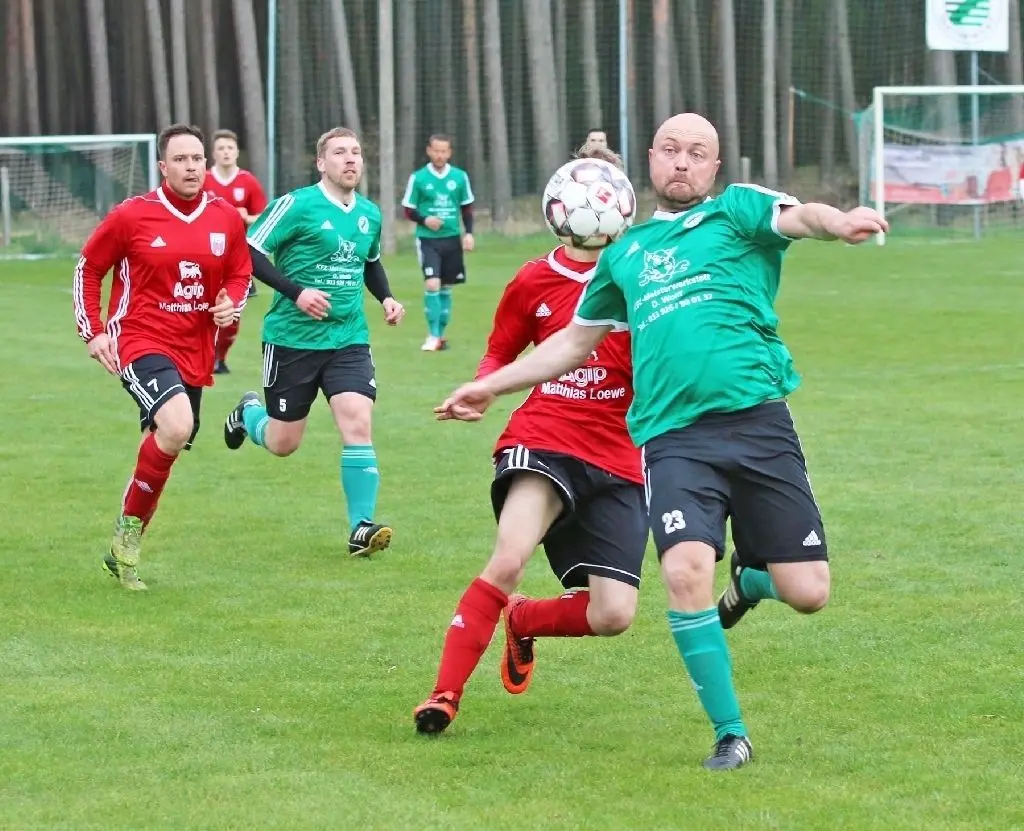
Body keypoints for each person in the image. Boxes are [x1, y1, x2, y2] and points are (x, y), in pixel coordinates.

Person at [434, 113, 890, 770]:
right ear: (650, 160)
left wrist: (840, 219)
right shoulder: (625, 254)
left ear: (715, 164)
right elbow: (571, 342)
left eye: (696, 152)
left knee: (809, 591)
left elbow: (800, 216)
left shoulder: (738, 212)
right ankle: (730, 732)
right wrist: (490, 386)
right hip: (672, 438)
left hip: (759, 422)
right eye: (671, 150)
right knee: (682, 571)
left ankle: (750, 582)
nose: (682, 162)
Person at [413, 146, 648, 737]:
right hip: (546, 434)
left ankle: (522, 621)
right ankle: (444, 694)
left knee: (614, 614)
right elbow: (502, 349)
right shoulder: (532, 280)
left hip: (621, 451)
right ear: (560, 207)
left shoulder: (643, 274)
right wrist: (485, 387)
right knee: (510, 556)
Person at [73, 123, 253, 591]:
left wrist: (233, 300)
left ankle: (123, 540)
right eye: (181, 159)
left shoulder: (225, 217)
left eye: (197, 159)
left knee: (166, 440)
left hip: (194, 347)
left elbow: (240, 271)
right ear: (162, 167)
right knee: (176, 426)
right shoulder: (133, 216)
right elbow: (89, 268)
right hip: (138, 337)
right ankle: (129, 538)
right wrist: (93, 332)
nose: (192, 167)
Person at [222, 127, 405, 558]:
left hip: (348, 337)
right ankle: (248, 414)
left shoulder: (370, 214)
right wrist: (297, 292)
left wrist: (388, 298)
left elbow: (371, 264)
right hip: (291, 340)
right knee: (284, 443)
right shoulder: (296, 204)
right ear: (321, 163)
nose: (350, 160)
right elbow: (247, 252)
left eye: (356, 153)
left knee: (358, 421)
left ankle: (361, 527)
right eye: (339, 153)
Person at [203, 129, 270, 373]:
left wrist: (247, 217)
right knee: (200, 306)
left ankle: (219, 358)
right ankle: (201, 354)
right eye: (220, 148)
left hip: (236, 257)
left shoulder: (248, 181)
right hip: (204, 255)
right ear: (214, 153)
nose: (225, 152)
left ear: (237, 152)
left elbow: (264, 218)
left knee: (232, 313)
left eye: (229, 148)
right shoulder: (203, 179)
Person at [401, 134, 475, 352]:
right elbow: (408, 209)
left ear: (449, 152)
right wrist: (425, 220)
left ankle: (440, 335)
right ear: (429, 151)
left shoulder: (460, 177)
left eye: (444, 151)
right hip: (427, 239)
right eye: (436, 151)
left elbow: (466, 208)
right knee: (432, 283)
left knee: (446, 287)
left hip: (452, 238)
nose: (440, 155)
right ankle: (432, 335)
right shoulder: (419, 178)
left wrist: (468, 233)